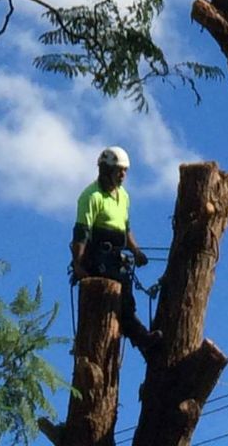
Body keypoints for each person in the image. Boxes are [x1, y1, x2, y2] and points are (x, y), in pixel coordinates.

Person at [70, 145, 161, 359]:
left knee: (126, 301)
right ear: (105, 170)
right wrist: (78, 264)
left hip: (116, 258)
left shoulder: (123, 196)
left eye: (125, 171)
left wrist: (136, 251)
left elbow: (125, 229)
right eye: (118, 170)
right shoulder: (91, 196)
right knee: (115, 302)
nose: (122, 175)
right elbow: (81, 232)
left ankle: (143, 341)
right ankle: (142, 340)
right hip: (97, 259)